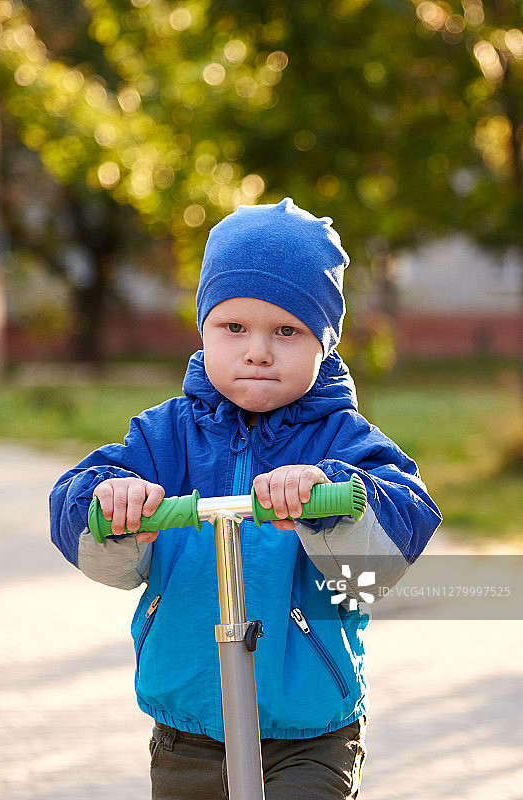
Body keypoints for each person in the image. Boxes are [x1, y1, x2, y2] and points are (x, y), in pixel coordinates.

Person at [50, 198, 442, 800]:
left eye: (287, 331)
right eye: (234, 328)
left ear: (325, 343)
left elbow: (391, 547)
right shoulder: (165, 436)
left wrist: (335, 495)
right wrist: (111, 503)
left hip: (310, 730)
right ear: (203, 328)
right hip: (190, 727)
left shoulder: (344, 440)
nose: (258, 350)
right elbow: (76, 506)